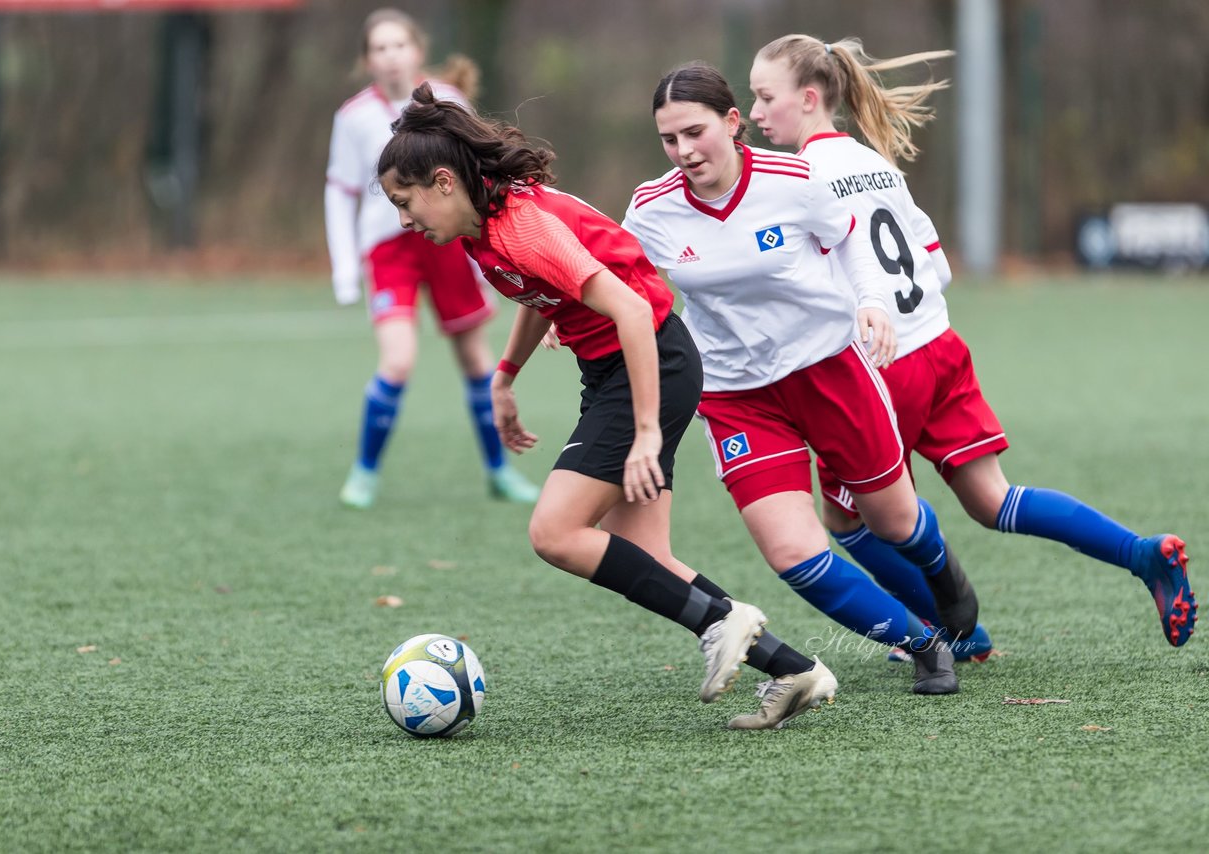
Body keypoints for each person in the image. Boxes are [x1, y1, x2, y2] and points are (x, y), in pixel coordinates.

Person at [376, 82, 837, 730]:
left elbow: (628, 309)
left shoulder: (520, 225)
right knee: (645, 556)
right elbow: (542, 295)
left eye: (405, 201)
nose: (403, 219)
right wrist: (504, 376)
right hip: (628, 370)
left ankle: (723, 620)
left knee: (555, 532)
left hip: (648, 365)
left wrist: (646, 431)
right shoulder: (485, 228)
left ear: (445, 182)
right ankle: (795, 670)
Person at [747, 34, 1196, 649]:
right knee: (994, 499)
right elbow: (939, 266)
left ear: (807, 98)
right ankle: (1143, 555)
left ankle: (952, 628)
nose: (754, 112)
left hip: (883, 368)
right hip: (939, 346)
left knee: (846, 521)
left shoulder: (797, 177)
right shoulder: (875, 163)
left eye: (764, 96)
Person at [623, 62, 980, 700]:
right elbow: (618, 278)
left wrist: (870, 300)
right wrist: (570, 318)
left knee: (895, 521)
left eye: (695, 133)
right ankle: (924, 644)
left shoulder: (794, 180)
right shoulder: (653, 208)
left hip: (828, 370)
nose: (683, 152)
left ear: (734, 124)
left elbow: (855, 246)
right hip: (735, 394)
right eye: (668, 140)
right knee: (791, 552)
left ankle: (943, 574)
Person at [324, 7, 540, 509]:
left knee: (476, 361)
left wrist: (488, 247)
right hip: (389, 249)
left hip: (448, 245)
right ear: (367, 60)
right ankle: (364, 473)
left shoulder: (448, 100)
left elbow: (475, 175)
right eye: (379, 48)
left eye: (399, 45)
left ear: (417, 51)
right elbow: (340, 190)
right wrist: (343, 267)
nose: (390, 56)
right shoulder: (352, 116)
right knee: (397, 362)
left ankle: (498, 472)